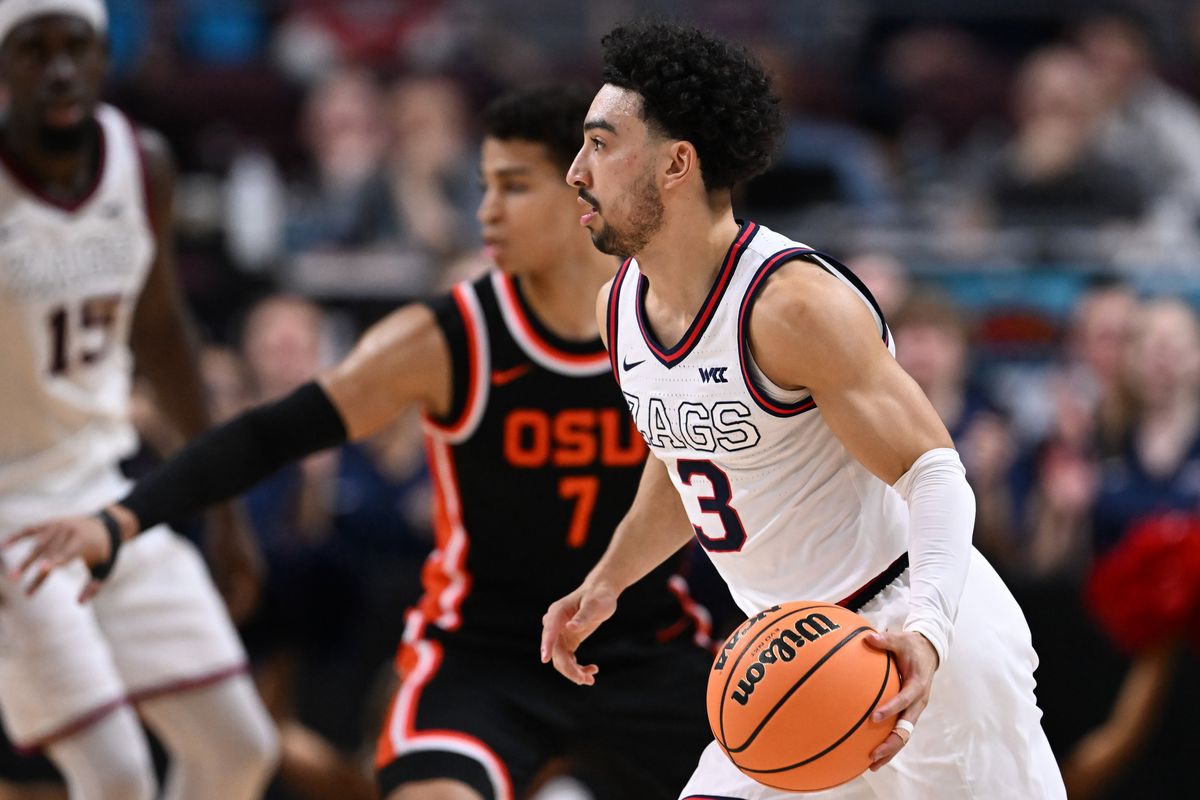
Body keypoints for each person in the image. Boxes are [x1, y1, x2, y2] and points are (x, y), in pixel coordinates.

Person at [9, 84, 715, 800]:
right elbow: (271, 432)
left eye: (513, 187)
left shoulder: (677, 323)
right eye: (483, 187)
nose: (486, 212)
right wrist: (122, 518)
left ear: (580, 190)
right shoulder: (447, 337)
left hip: (647, 651)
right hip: (486, 658)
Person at [539, 21, 1066, 799]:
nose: (576, 171)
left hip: (913, 631)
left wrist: (927, 630)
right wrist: (610, 579)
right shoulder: (618, 308)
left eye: (599, 144)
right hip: (789, 656)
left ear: (677, 163)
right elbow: (689, 457)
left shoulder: (792, 307)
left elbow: (935, 473)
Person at [0, 2, 278, 799]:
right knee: (116, 776)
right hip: (10, 518)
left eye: (77, 47)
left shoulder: (140, 160)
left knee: (238, 752)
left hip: (111, 494)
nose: (59, 70)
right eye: (33, 49)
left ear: (104, 55)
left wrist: (224, 507)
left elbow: (161, 330)